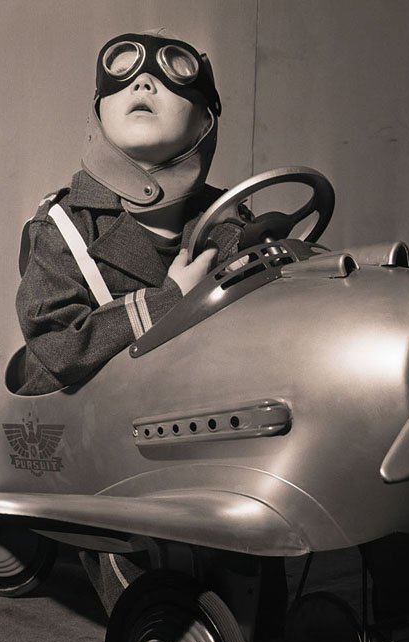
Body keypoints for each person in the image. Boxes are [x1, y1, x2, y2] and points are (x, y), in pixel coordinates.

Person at [14, 31, 244, 396]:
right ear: (98, 111)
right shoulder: (63, 225)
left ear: (205, 120)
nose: (143, 83)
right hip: (89, 438)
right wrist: (172, 300)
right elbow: (58, 347)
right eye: (122, 73)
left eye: (173, 73)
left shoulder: (231, 219)